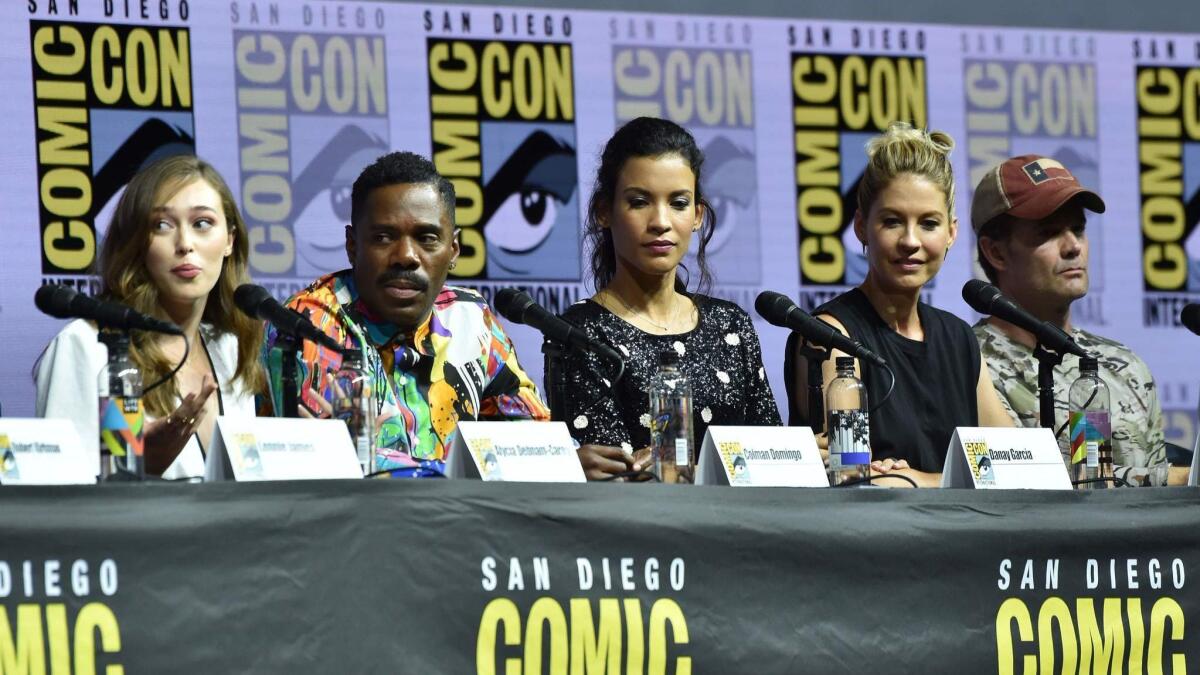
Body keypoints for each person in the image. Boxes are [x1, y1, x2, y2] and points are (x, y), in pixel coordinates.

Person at [263, 151, 549, 477]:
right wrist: (470, 472)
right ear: (353, 245)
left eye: (427, 238)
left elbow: (534, 440)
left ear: (453, 249)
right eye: (383, 237)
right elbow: (336, 467)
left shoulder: (470, 317)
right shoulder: (312, 323)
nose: (406, 257)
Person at [789, 122, 1012, 487]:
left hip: (971, 535)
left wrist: (916, 479)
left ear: (951, 233)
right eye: (892, 222)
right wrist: (956, 480)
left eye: (928, 223)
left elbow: (1018, 465)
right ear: (861, 226)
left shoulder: (957, 337)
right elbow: (852, 481)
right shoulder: (830, 335)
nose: (910, 241)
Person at [558, 117, 781, 481]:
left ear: (697, 216)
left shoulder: (731, 326)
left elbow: (771, 454)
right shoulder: (580, 333)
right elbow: (614, 475)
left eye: (678, 203)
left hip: (744, 530)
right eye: (639, 201)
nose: (660, 221)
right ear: (603, 211)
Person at [34, 155, 265, 478]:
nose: (185, 244)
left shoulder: (230, 349)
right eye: (162, 226)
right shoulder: (85, 346)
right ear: (138, 244)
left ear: (229, 240)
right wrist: (142, 468)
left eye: (202, 223)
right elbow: (56, 493)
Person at [972, 155, 1184, 486]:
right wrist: (1180, 480)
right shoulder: (971, 364)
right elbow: (1021, 486)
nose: (1073, 247)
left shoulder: (1124, 366)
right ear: (996, 253)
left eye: (1078, 229)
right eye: (1049, 232)